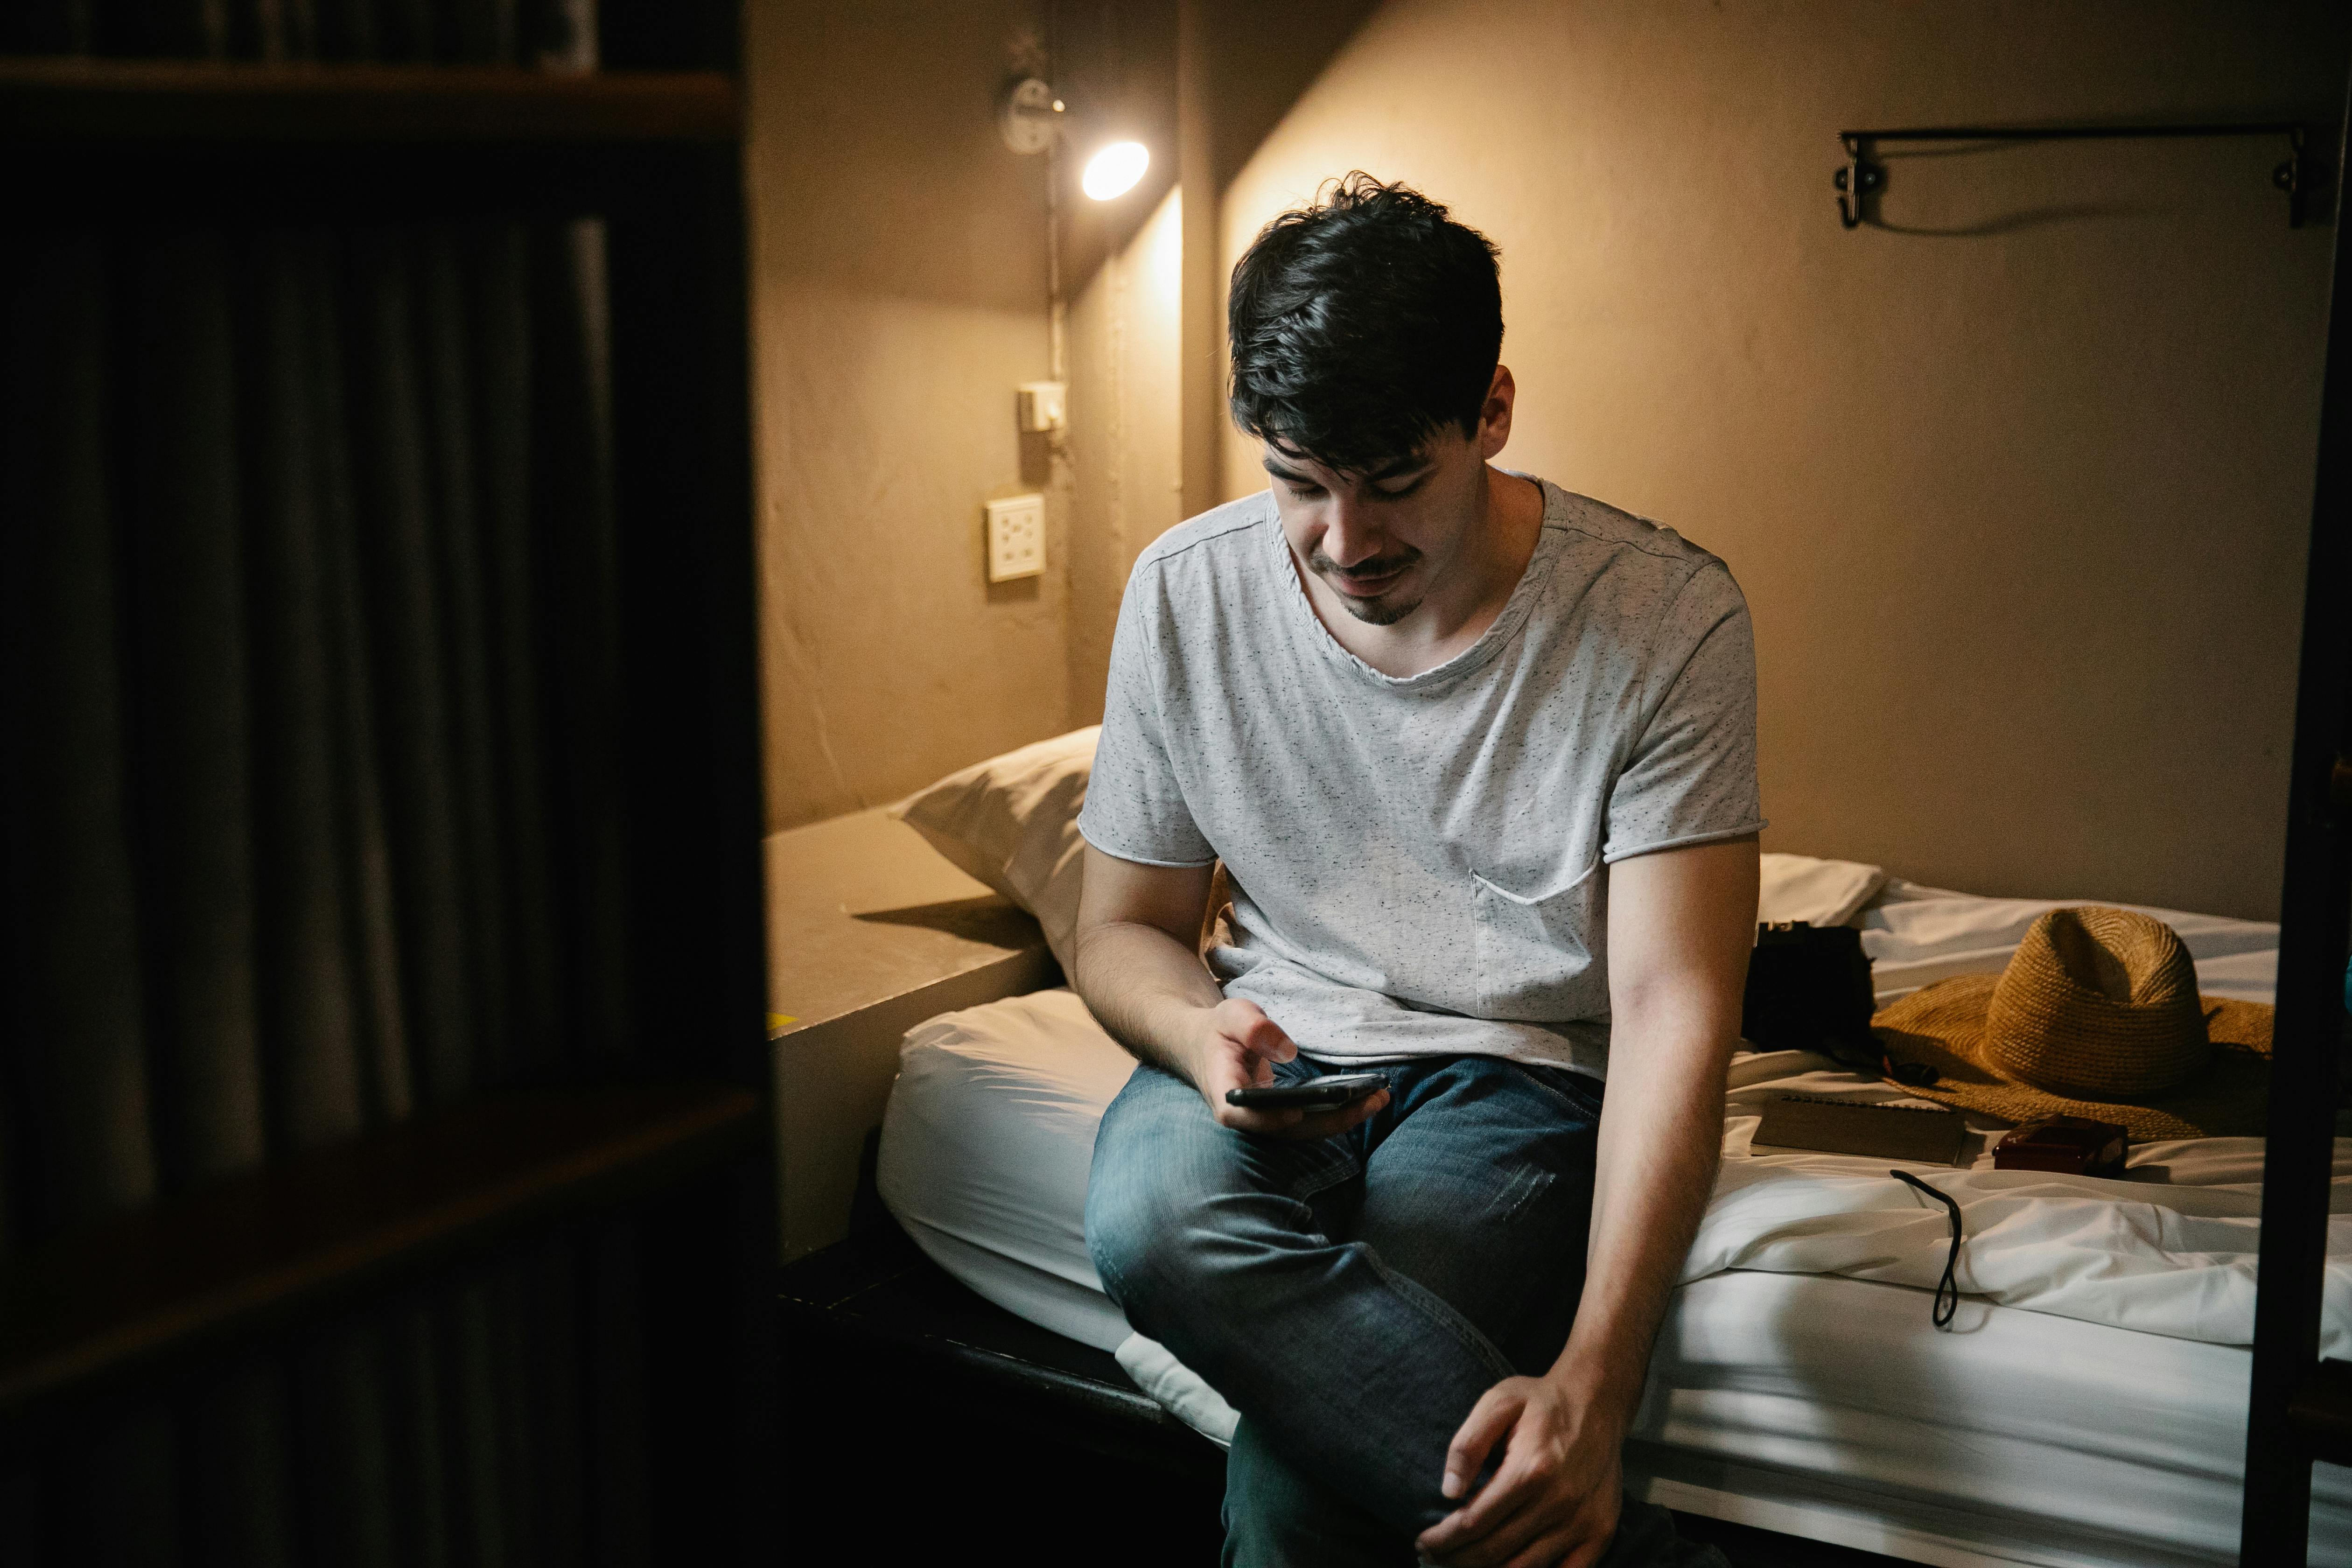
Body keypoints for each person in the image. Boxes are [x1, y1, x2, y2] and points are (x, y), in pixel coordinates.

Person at [1071, 174, 1757, 1568]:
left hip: (1515, 1075)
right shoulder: (1182, 592)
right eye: (1298, 484)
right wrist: (1195, 1033)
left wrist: (1592, 1386)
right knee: (1149, 1223)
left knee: (1297, 1496)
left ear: (1491, 413)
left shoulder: (1670, 617)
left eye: (1393, 483)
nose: (1343, 543)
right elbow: (1120, 929)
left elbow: (1678, 1011)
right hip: (1271, 1052)